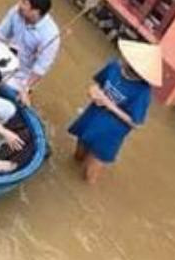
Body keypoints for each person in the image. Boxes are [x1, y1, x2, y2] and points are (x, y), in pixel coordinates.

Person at [68, 40, 159, 184]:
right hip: (91, 117)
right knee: (77, 156)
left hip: (110, 133)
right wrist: (93, 91)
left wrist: (109, 105)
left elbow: (135, 123)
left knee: (89, 176)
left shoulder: (143, 92)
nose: (122, 59)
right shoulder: (113, 66)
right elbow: (97, 84)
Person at [0, 0, 60, 122]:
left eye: (24, 4)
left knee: (6, 109)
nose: (19, 5)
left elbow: (40, 68)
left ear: (36, 11)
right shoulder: (16, 11)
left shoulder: (50, 35)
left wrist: (25, 88)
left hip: (21, 77)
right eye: (21, 1)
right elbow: (0, 35)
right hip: (5, 61)